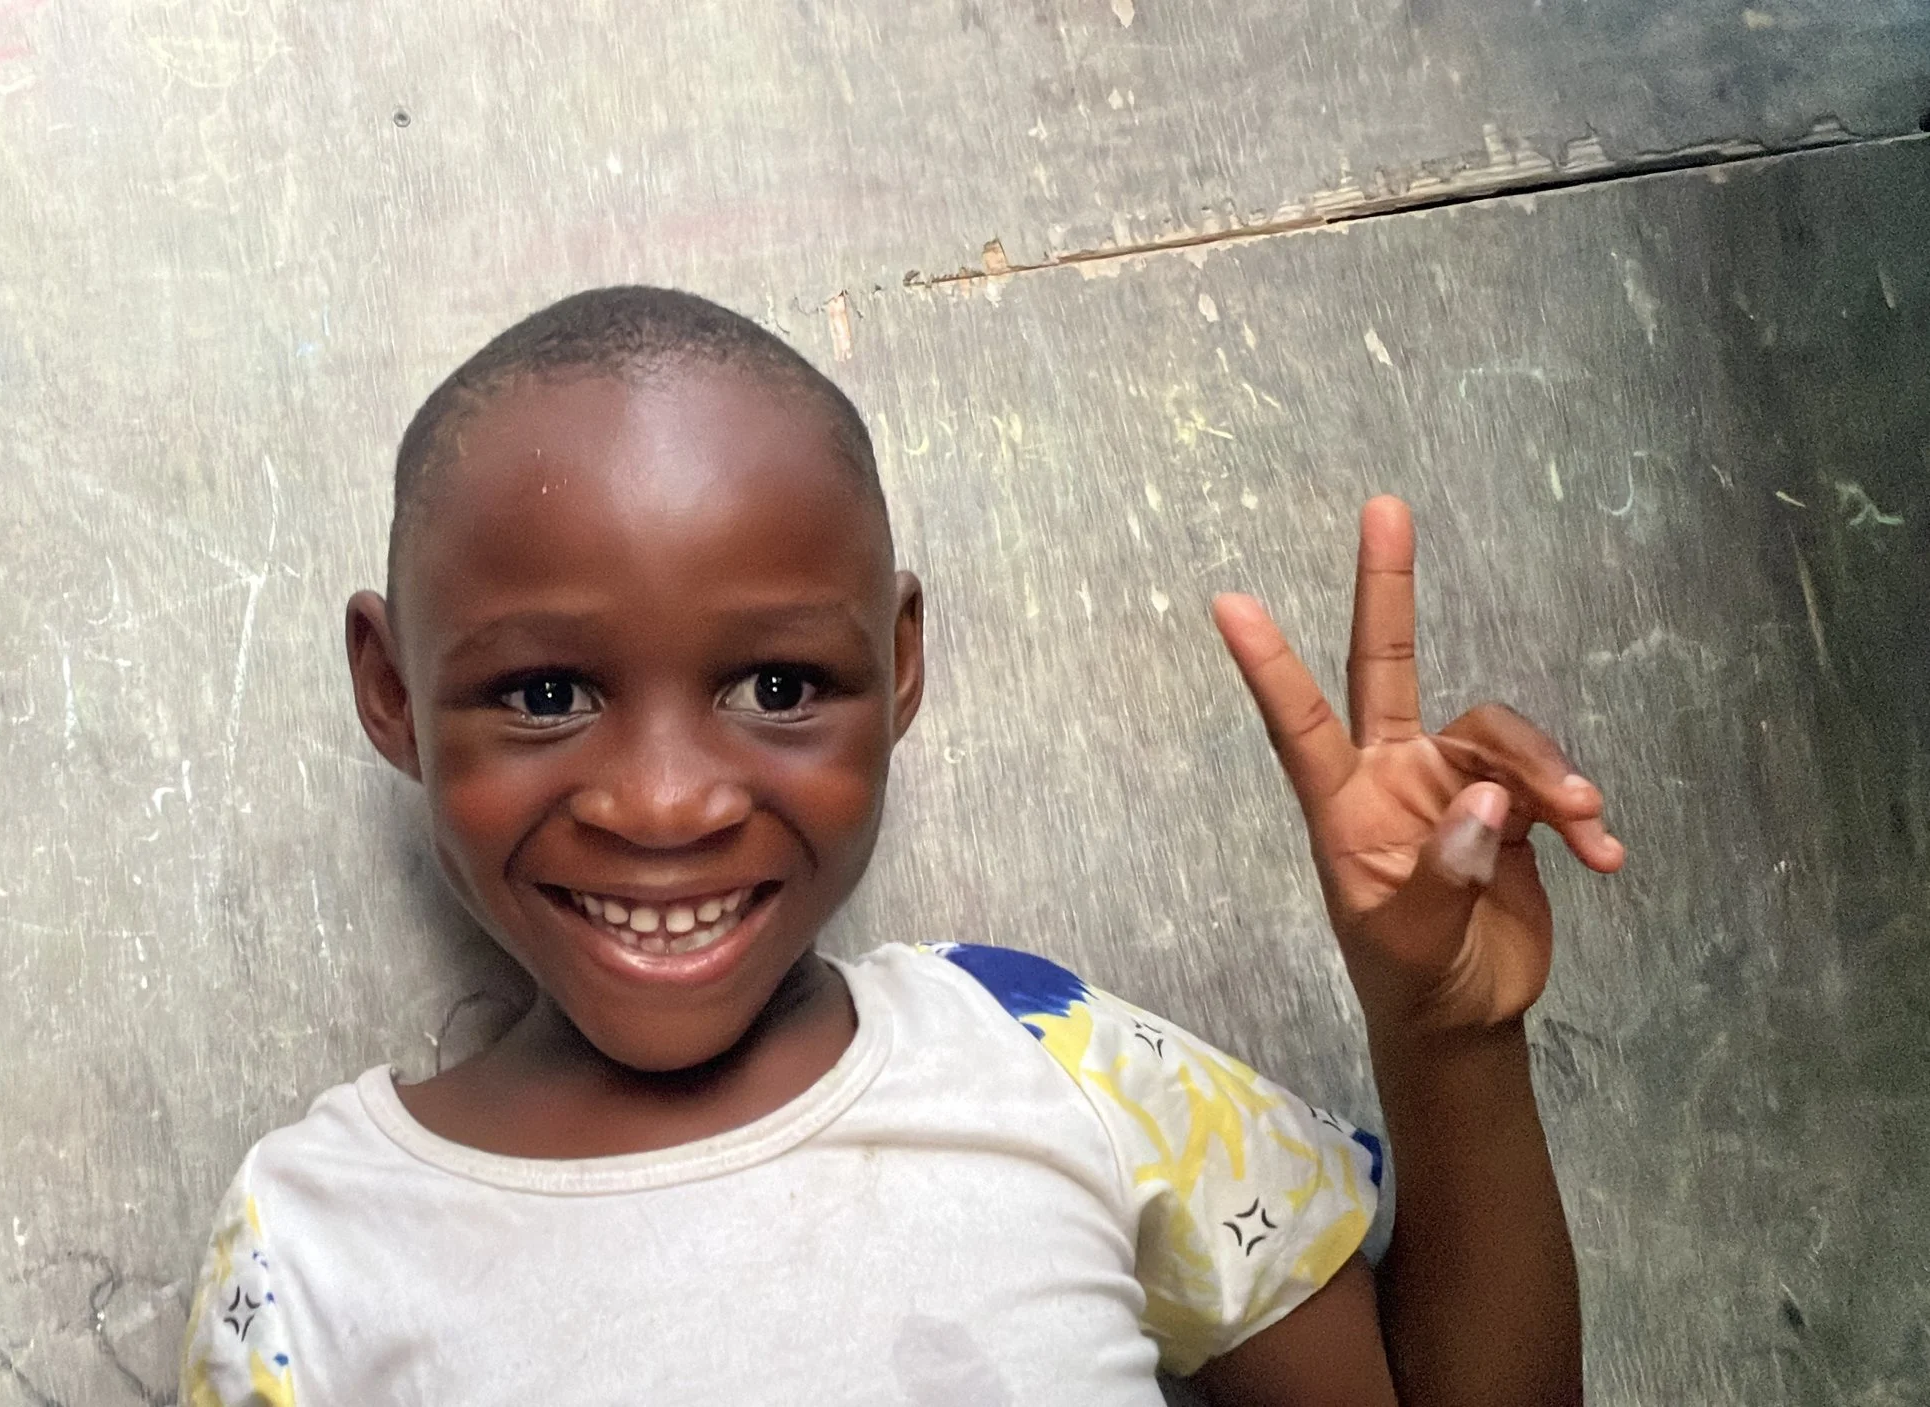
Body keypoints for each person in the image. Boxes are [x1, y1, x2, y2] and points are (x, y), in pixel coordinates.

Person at [178, 286, 1625, 1406]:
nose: (668, 802)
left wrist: (1443, 1041)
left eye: (778, 687)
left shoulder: (1046, 1061)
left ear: (903, 658)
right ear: (391, 691)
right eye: (547, 695)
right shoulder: (312, 1245)